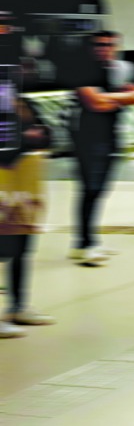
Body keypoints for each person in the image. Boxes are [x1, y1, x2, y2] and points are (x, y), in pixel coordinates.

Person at [70, 31, 134, 266]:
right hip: (87, 138)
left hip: (111, 135)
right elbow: (94, 103)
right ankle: (83, 243)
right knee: (90, 189)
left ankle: (90, 239)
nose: (105, 49)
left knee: (100, 190)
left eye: (110, 45)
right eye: (100, 45)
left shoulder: (116, 70)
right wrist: (121, 98)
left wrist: (110, 98)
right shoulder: (82, 69)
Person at [0, 95, 56, 336]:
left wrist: (36, 136)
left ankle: (18, 306)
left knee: (22, 249)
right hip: (6, 189)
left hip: (23, 193)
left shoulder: (22, 103)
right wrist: (26, 140)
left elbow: (49, 136)